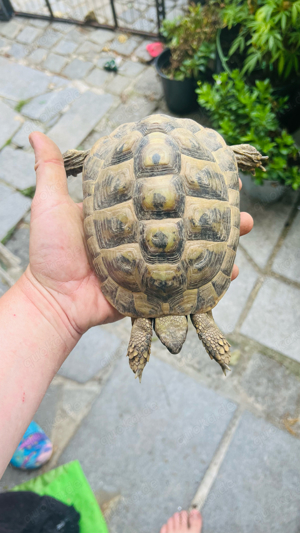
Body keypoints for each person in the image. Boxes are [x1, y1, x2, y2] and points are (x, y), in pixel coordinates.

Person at [0, 132, 253, 528]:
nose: (172, 343)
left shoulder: (158, 311)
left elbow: (192, 314)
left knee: (201, 307)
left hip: (121, 169)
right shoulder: (177, 312)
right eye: (171, 338)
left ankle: (223, 155)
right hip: (144, 175)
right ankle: (225, 155)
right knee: (204, 306)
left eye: (165, 339)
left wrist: (48, 302)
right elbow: (196, 312)